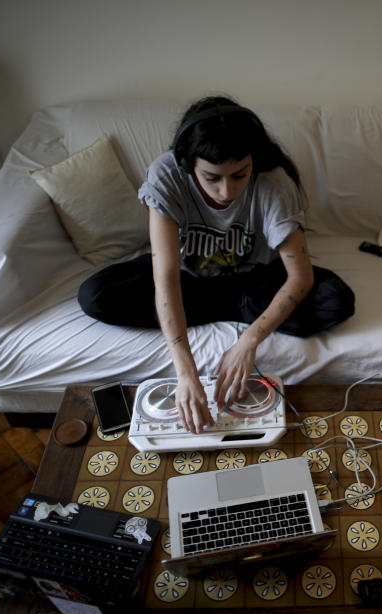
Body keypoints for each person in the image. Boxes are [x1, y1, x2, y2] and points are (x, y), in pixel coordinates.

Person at [78, 96, 355, 432]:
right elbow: (165, 278)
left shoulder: (274, 183)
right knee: (95, 295)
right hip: (189, 281)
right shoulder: (167, 174)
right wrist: (186, 373)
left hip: (254, 282)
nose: (227, 191)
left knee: (336, 300)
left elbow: (300, 277)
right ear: (187, 163)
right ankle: (221, 309)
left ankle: (233, 311)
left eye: (239, 175)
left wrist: (249, 341)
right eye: (211, 178)